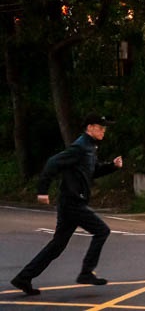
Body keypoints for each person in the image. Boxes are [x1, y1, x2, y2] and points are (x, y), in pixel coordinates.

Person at [9, 114, 123, 296]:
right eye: (101, 128)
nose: (104, 131)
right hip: (72, 202)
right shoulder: (80, 147)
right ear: (90, 127)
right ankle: (86, 272)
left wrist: (112, 166)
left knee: (57, 245)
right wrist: (42, 190)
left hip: (72, 202)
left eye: (104, 128)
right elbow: (52, 162)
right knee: (102, 230)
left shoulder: (90, 147)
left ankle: (23, 277)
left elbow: (90, 172)